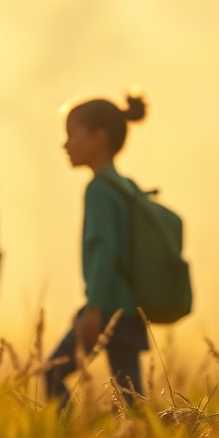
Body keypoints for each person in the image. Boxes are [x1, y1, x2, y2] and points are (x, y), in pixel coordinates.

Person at [45, 94, 151, 406]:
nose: (65, 145)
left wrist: (94, 308)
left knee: (51, 373)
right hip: (128, 306)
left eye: (71, 135)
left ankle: (61, 434)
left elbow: (105, 249)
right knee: (130, 395)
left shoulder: (99, 189)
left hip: (107, 307)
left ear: (98, 137)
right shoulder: (124, 185)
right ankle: (147, 436)